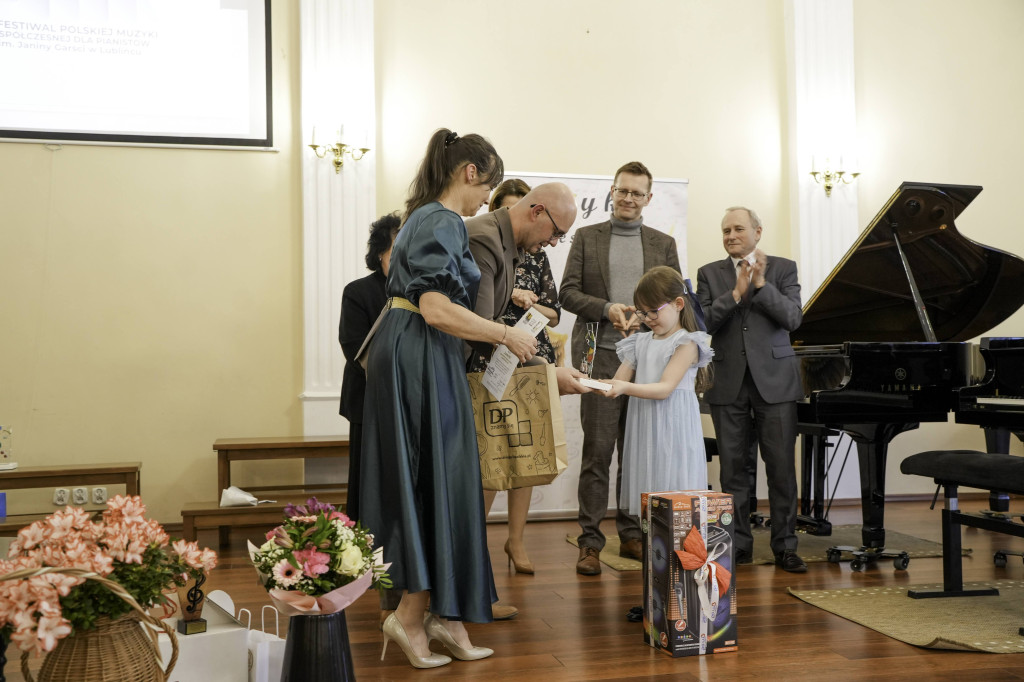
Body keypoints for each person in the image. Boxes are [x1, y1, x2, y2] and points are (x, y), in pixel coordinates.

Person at [359, 128, 538, 670]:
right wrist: (505, 333)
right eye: (488, 188)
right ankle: (413, 618)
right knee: (434, 480)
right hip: (419, 348)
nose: (488, 200)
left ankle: (442, 615)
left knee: (444, 479)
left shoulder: (423, 217)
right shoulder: (441, 220)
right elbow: (435, 307)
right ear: (469, 173)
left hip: (418, 350)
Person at [559, 160, 681, 576]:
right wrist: (607, 307)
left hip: (648, 360)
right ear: (612, 192)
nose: (628, 198)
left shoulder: (663, 243)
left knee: (638, 452)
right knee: (597, 452)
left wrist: (646, 319)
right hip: (600, 355)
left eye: (637, 193)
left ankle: (632, 533)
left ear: (649, 198)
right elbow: (568, 294)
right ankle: (590, 541)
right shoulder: (586, 237)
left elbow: (674, 300)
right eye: (622, 190)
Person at [465, 179, 577, 583]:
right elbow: (474, 319)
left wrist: (531, 304)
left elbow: (555, 311)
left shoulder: (532, 254)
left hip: (530, 357)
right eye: (556, 233)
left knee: (528, 453)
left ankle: (514, 541)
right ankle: (474, 555)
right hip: (490, 359)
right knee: (494, 456)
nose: (552, 242)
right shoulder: (486, 243)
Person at [696, 206, 807, 573]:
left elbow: (793, 318)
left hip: (775, 383)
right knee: (733, 472)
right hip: (728, 383)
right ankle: (737, 545)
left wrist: (760, 286)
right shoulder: (709, 274)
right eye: (725, 230)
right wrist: (737, 292)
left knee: (780, 470)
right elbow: (704, 321)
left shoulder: (783, 268)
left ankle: (785, 547)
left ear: (758, 232)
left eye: (738, 229)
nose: (730, 236)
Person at [599, 266, 713, 516]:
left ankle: (681, 552)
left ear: (679, 304)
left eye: (654, 311)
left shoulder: (687, 342)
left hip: (674, 426)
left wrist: (624, 387)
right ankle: (657, 551)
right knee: (651, 496)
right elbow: (618, 380)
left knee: (674, 492)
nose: (648, 318)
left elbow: (664, 388)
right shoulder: (639, 341)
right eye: (643, 312)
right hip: (646, 424)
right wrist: (590, 383)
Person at [338, 212, 401, 522]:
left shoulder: (422, 295)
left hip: (407, 400)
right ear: (380, 253)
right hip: (368, 400)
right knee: (366, 482)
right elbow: (353, 346)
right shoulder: (358, 291)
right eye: (396, 249)